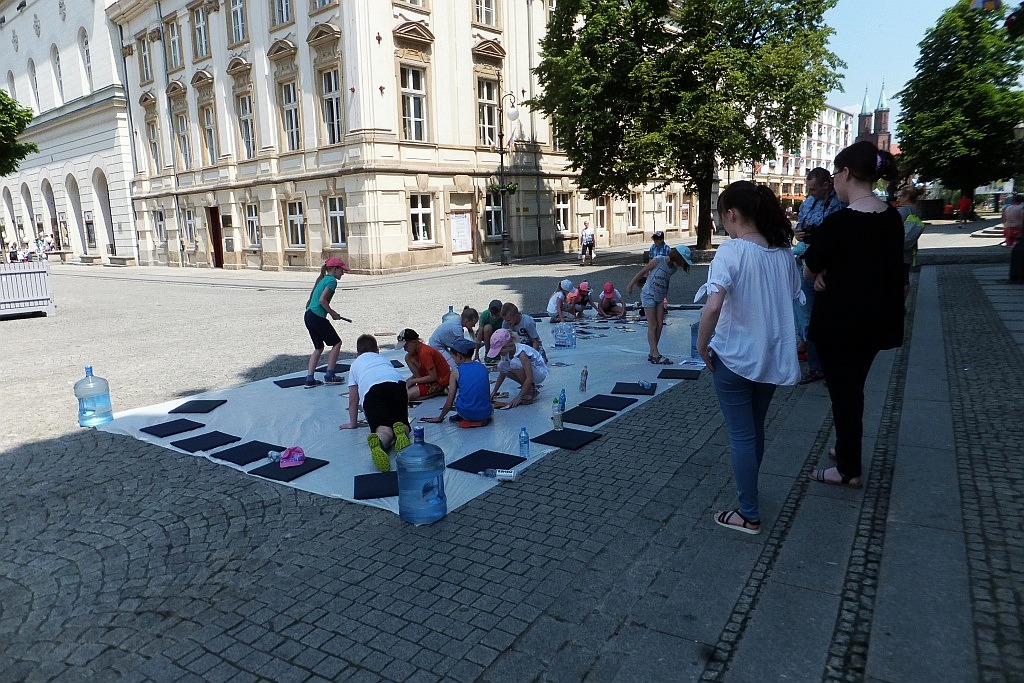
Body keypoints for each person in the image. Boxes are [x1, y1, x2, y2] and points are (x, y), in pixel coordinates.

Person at [695, 180, 802, 535]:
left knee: (741, 436)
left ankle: (748, 513)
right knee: (755, 430)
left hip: (733, 357)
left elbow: (713, 306)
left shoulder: (732, 251)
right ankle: (749, 496)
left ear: (732, 214)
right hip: (769, 357)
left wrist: (701, 345)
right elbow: (789, 298)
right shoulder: (783, 253)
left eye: (721, 215)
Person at [803, 141, 904, 489]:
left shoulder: (839, 222)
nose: (834, 181)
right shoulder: (891, 218)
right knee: (853, 389)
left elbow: (809, 269)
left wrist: (820, 273)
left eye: (835, 174)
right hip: (876, 323)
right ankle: (846, 448)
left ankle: (848, 469)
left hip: (840, 325)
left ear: (846, 173)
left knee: (844, 395)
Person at [793, 167, 846, 385]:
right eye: (808, 189)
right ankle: (816, 366)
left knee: (829, 318)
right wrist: (798, 234)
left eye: (813, 189)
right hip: (809, 262)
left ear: (826, 184)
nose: (810, 192)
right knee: (810, 317)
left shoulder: (841, 203)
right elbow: (799, 229)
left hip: (831, 267)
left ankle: (831, 365)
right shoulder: (808, 203)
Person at [340, 334, 411, 473]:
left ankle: (379, 443)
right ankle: (402, 433)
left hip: (372, 390)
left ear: (357, 355)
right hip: (397, 384)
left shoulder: (355, 365)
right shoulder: (383, 359)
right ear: (377, 351)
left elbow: (353, 399)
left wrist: (353, 423)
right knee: (401, 422)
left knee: (383, 428)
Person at [626, 245, 692, 364]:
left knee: (660, 325)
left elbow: (666, 281)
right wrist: (630, 285)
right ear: (678, 257)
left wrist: (665, 297)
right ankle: (656, 354)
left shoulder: (673, 269)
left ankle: (652, 352)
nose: (681, 265)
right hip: (648, 294)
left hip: (660, 297)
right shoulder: (658, 260)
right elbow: (642, 272)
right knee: (653, 325)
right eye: (682, 261)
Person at [421, 338, 494, 425]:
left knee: (457, 398)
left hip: (467, 414)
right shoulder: (482, 367)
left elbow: (449, 403)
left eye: (453, 357)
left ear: (459, 356)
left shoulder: (456, 372)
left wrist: (439, 418)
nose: (453, 360)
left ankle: (464, 416)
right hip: (486, 413)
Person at [302, 257, 349, 388]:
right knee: (337, 343)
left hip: (309, 315)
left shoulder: (323, 279)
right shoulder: (332, 281)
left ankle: (310, 379)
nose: (343, 273)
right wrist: (333, 313)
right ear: (335, 269)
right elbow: (323, 300)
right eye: (342, 270)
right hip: (317, 316)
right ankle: (330, 375)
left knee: (319, 348)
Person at [487, 328, 549, 407]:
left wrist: (519, 396)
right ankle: (528, 388)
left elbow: (529, 377)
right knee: (501, 366)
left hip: (539, 372)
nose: (498, 354)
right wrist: (494, 391)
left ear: (507, 346)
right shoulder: (507, 352)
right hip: (531, 372)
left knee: (514, 363)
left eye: (499, 351)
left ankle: (530, 390)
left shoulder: (521, 353)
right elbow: (502, 374)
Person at [399, 328, 451, 400]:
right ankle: (421, 384)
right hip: (430, 377)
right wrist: (412, 379)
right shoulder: (415, 352)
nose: (405, 349)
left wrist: (413, 381)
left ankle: (439, 391)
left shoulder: (425, 353)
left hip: (440, 381)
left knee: (406, 396)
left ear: (414, 342)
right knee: (408, 357)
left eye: (406, 346)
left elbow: (433, 377)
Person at [428, 306, 478, 371]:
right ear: (466, 321)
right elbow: (462, 348)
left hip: (440, 343)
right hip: (436, 346)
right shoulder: (457, 328)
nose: (474, 326)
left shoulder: (458, 319)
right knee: (454, 366)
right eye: (473, 324)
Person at [898, 186, 926, 299]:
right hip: (910, 249)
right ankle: (903, 302)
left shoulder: (903, 211)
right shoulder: (917, 211)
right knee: (905, 278)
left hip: (898, 250)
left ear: (907, 197)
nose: (899, 198)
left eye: (901, 196)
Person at [475, 299, 503, 363]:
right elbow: (479, 334)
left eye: (497, 315)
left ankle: (497, 352)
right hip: (487, 335)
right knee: (487, 327)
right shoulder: (485, 315)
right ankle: (488, 352)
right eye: (492, 315)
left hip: (499, 335)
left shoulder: (504, 316)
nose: (494, 318)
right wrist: (476, 353)